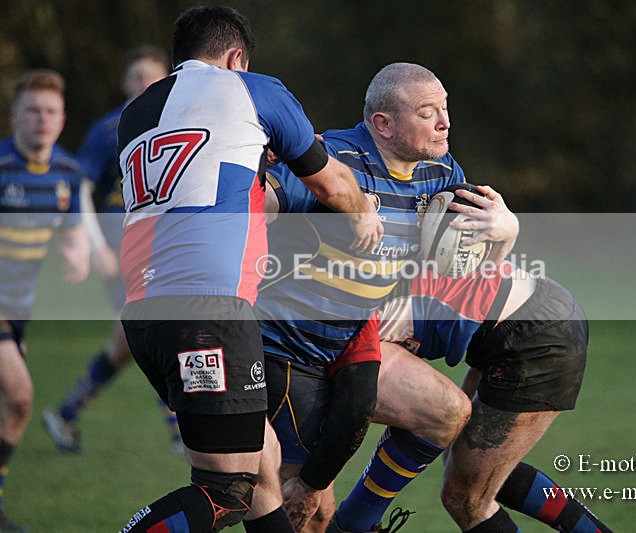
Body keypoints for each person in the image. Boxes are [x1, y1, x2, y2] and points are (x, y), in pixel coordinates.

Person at [115, 5, 381, 533]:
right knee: (225, 490)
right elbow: (331, 184)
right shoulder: (254, 89)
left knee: (262, 469)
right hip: (209, 310)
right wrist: (364, 213)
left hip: (144, 313)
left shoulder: (136, 112)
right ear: (236, 56)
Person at [256, 63, 518, 532]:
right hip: (289, 345)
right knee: (305, 512)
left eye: (445, 109)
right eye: (427, 112)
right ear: (383, 124)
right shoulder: (331, 158)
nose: (444, 122)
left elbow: (465, 265)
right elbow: (266, 201)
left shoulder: (441, 171)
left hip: (356, 338)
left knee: (446, 412)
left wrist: (505, 233)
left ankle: (358, 524)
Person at [328, 260, 613, 533]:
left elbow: (353, 402)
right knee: (472, 466)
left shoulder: (336, 316)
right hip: (529, 306)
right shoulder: (341, 284)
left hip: (532, 337)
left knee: (467, 498)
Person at [42, 45, 180, 454]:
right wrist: (95, 243)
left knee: (132, 337)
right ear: (124, 82)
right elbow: (81, 187)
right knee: (149, 328)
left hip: (160, 244)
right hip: (119, 242)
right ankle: (179, 430)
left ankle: (67, 412)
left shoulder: (178, 124)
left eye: (152, 78)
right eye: (136, 77)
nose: (144, 85)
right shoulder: (109, 129)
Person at [0, 69, 90, 533]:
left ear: (61, 120)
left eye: (50, 111)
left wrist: (76, 254)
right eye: (33, 110)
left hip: (20, 313)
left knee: (11, 408)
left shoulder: (68, 172)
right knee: (19, 395)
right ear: (14, 115)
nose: (42, 119)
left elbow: (73, 233)